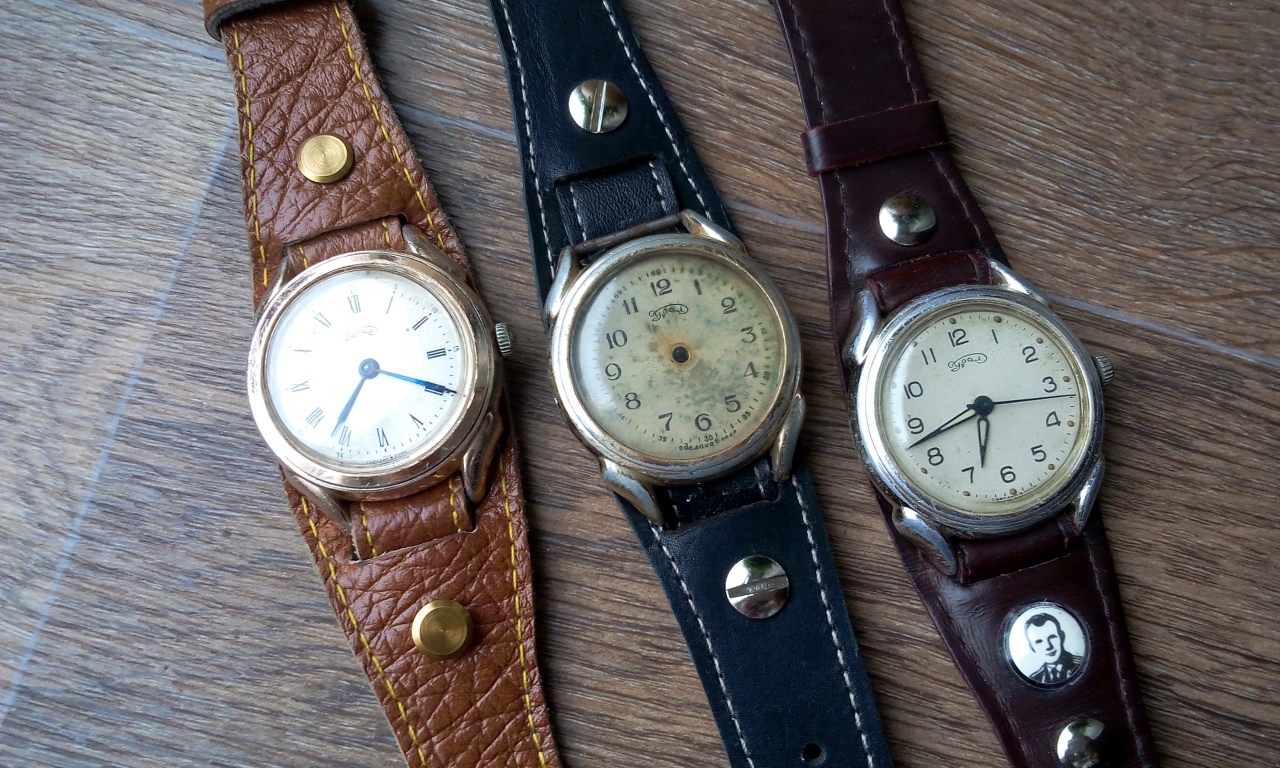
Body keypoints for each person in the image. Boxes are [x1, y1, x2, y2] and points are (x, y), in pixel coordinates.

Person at [1024, 613, 1081, 684]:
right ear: (1032, 648)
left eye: (1052, 637)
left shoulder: (1080, 665)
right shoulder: (1035, 678)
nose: (1048, 646)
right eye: (1039, 641)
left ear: (1061, 637)